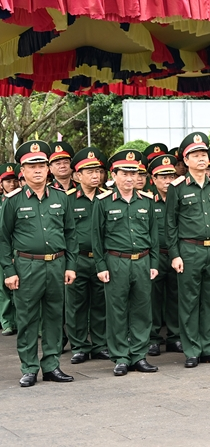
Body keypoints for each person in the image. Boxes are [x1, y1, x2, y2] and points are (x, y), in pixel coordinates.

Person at [0, 140, 77, 387]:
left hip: (56, 264)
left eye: (41, 166)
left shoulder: (61, 198)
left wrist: (71, 265)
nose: (37, 171)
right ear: (22, 171)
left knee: (54, 317)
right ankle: (30, 367)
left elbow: (70, 233)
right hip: (26, 266)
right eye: (31, 167)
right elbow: (3, 238)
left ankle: (52, 365)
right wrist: (9, 271)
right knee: (27, 319)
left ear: (48, 169)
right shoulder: (13, 200)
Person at [166, 132, 210, 368]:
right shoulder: (177, 188)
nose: (201, 158)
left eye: (204, 154)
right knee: (189, 301)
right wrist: (175, 254)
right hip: (189, 250)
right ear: (186, 160)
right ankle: (192, 350)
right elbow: (170, 224)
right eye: (195, 155)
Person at [93, 149, 160, 376]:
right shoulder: (103, 202)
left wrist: (154, 263)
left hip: (142, 261)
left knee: (142, 309)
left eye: (134, 173)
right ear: (114, 175)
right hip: (116, 261)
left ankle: (139, 355)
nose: (130, 178)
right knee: (117, 311)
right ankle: (121, 356)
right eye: (125, 173)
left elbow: (153, 235)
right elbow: (96, 237)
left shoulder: (147, 201)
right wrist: (101, 266)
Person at [66, 147, 111, 365]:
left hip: (103, 258)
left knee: (101, 302)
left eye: (98, 171)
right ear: (77, 176)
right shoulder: (68, 199)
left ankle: (100, 344)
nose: (95, 176)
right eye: (89, 172)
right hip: (78, 258)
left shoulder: (107, 198)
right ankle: (80, 346)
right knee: (76, 304)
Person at [147, 153, 183, 356]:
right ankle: (152, 338)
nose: (168, 181)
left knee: (176, 296)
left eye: (171, 176)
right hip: (156, 256)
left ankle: (175, 337)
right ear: (153, 179)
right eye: (163, 177)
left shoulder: (180, 198)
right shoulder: (148, 201)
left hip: (177, 254)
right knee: (153, 298)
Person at [0, 163, 20, 336]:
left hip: (19, 250)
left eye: (14, 180)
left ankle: (21, 321)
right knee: (3, 288)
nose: (12, 184)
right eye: (7, 181)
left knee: (21, 288)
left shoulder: (20, 200)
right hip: (3, 249)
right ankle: (7, 322)